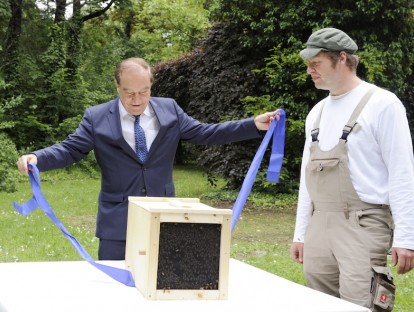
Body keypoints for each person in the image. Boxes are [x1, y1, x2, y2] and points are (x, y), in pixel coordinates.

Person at [17, 57, 279, 261]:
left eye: (144, 91)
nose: (137, 99)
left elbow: (205, 133)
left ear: (151, 86)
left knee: (161, 286)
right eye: (129, 92)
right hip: (116, 223)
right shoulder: (96, 117)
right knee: (115, 293)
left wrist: (252, 125)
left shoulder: (170, 110)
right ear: (117, 87)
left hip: (163, 217)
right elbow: (70, 149)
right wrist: (37, 157)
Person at [290, 28, 414, 310]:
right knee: (319, 302)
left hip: (363, 224)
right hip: (320, 224)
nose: (310, 70)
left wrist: (406, 237)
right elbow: (305, 179)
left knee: (361, 303)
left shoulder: (383, 104)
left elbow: (402, 172)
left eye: (316, 63)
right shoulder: (316, 112)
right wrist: (301, 233)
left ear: (342, 58)